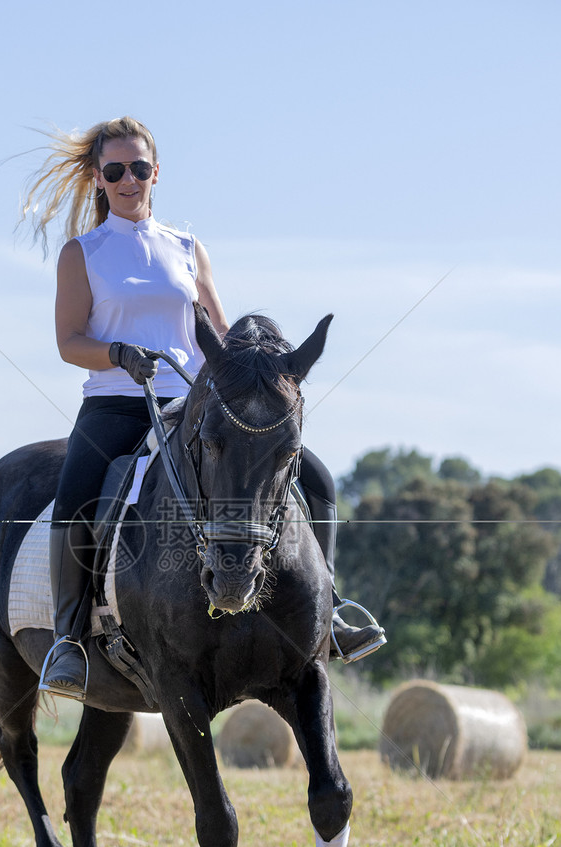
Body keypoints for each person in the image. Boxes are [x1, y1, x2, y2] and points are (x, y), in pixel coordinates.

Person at [24, 116, 385, 700]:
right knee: (76, 497)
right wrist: (117, 352)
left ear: (155, 173)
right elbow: (69, 343)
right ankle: (69, 640)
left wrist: (265, 370)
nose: (128, 179)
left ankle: (332, 611)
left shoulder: (189, 249)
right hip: (117, 403)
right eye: (114, 170)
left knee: (313, 473)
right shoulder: (81, 254)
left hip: (193, 403)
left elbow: (220, 330)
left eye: (138, 168)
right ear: (98, 178)